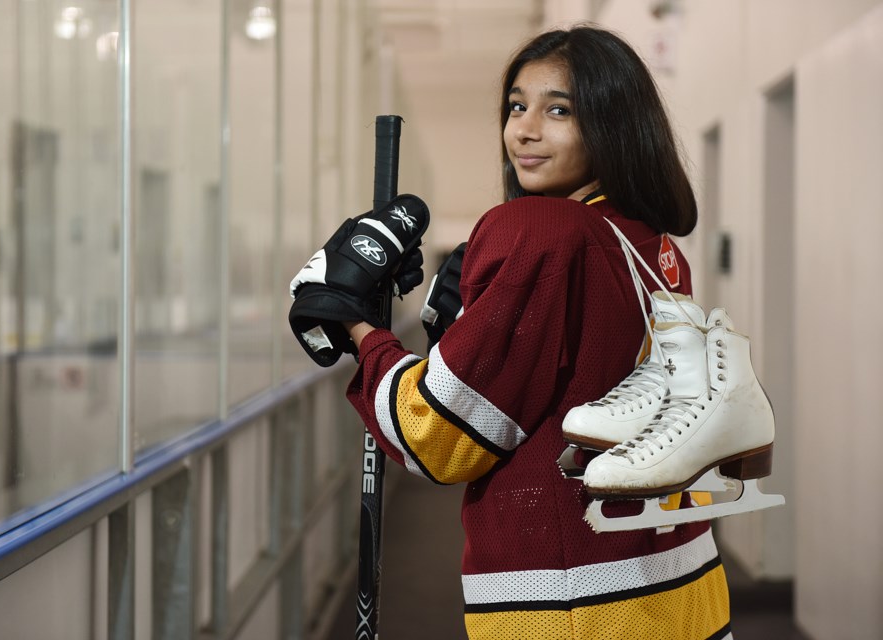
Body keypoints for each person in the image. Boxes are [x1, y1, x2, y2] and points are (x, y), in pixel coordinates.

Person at [306, 25, 732, 639]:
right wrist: (473, 318)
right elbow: (563, 381)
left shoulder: (540, 232)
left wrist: (358, 326)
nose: (524, 130)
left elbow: (438, 436)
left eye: (559, 109)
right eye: (516, 106)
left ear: (610, 123)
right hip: (682, 583)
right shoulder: (649, 244)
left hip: (578, 602)